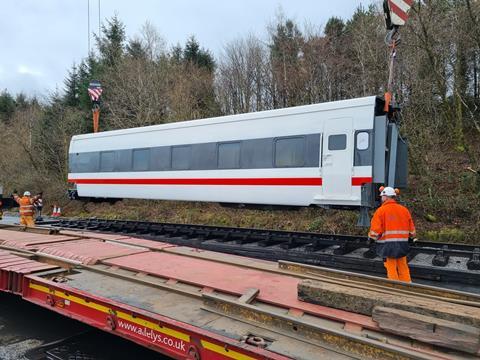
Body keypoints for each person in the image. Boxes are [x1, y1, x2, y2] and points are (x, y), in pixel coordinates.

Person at [368, 186, 417, 282]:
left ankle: (395, 289)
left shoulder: (381, 211)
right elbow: (412, 230)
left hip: (388, 246)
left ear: (386, 197)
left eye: (382, 196)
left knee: (391, 267)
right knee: (403, 266)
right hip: (402, 244)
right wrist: (412, 237)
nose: (381, 198)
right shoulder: (404, 210)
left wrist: (371, 238)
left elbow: (376, 230)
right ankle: (408, 285)